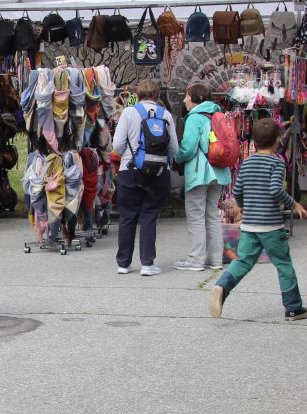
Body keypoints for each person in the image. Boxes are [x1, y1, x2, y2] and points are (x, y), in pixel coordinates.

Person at [209, 117, 307, 320]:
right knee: (283, 264)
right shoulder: (277, 163)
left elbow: (237, 191)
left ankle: (222, 286)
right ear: (277, 139)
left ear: (254, 141)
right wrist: (293, 204)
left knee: (243, 261)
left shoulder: (247, 162)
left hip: (250, 226)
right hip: (271, 226)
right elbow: (275, 189)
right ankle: (293, 308)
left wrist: (243, 206)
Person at [111, 79, 179, 276]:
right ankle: (148, 264)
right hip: (158, 172)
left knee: (127, 216)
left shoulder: (129, 112)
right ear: (157, 95)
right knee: (149, 215)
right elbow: (174, 148)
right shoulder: (165, 114)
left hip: (130, 169)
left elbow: (117, 146)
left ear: (138, 94)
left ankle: (123, 263)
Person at [174, 82, 232, 272]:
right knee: (212, 216)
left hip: (200, 174)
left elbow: (188, 147)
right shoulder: (217, 114)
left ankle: (196, 260)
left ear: (196, 98)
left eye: (187, 96)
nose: (185, 100)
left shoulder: (195, 117)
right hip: (219, 172)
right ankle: (215, 259)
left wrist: (177, 157)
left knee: (196, 216)